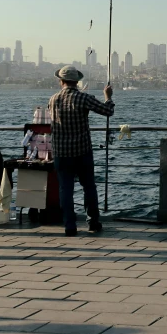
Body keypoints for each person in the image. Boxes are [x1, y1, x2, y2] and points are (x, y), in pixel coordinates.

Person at [48, 66, 115, 236]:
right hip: (82, 151)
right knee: (89, 187)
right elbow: (108, 111)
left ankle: (69, 226)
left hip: (61, 153)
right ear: (77, 81)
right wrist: (108, 97)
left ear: (61, 81)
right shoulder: (83, 98)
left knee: (65, 189)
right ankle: (93, 222)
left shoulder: (53, 99)